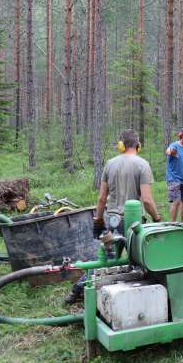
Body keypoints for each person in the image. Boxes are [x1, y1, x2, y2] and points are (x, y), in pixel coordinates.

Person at [65, 129, 161, 304]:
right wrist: (157, 219)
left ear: (121, 145)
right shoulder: (143, 165)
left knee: (107, 259)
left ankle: (78, 289)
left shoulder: (110, 164)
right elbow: (147, 200)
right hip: (134, 224)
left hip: (112, 219)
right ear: (138, 145)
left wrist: (98, 220)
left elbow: (102, 198)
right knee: (140, 258)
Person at [166, 127, 183, 222]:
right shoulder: (174, 146)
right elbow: (169, 151)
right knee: (176, 201)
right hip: (173, 179)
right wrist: (171, 152)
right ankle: (172, 225)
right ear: (181, 135)